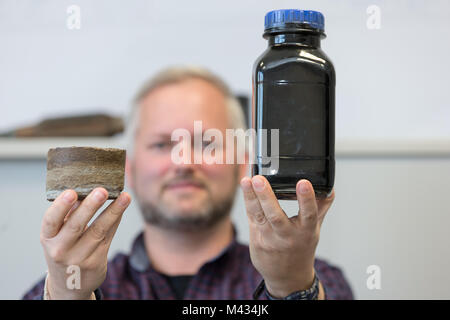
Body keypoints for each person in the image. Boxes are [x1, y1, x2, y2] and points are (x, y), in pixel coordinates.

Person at [23, 66, 353, 300]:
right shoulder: (60, 288)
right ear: (131, 171)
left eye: (206, 143)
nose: (183, 162)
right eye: (163, 144)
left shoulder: (317, 281)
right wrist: (68, 294)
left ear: (241, 165)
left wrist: (292, 288)